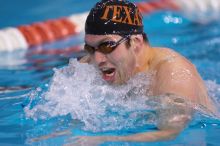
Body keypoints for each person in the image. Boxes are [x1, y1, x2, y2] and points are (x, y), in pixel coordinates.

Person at [73, 0, 218, 145]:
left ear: (136, 42)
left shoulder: (173, 74)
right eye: (90, 48)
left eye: (107, 46)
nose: (98, 60)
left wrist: (106, 141)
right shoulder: (90, 65)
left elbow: (170, 133)